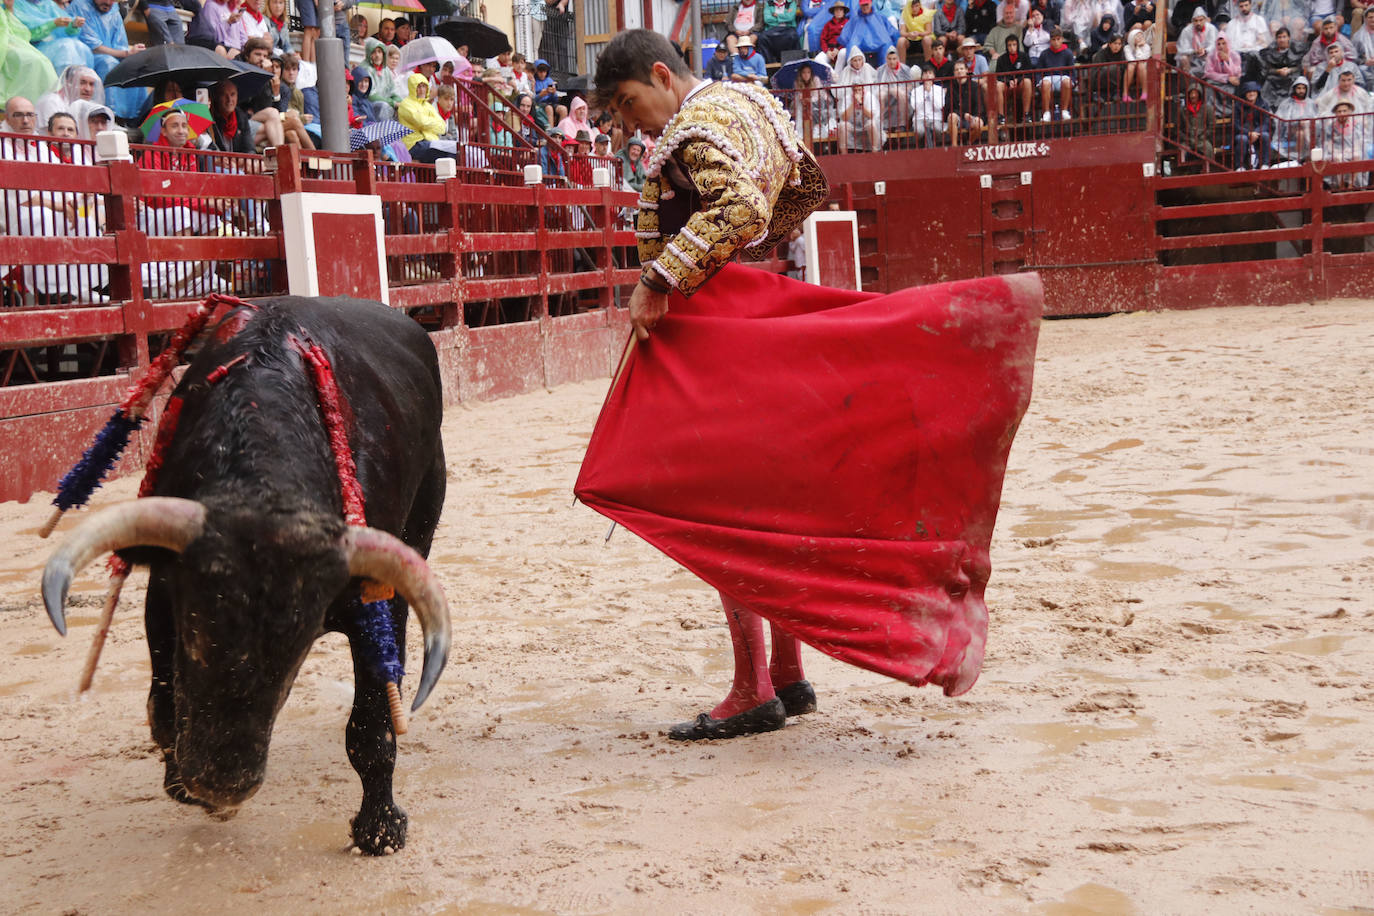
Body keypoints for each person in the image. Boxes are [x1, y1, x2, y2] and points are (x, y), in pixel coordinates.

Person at [590, 29, 829, 740]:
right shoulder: (751, 102)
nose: (633, 123)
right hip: (768, 314)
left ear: (663, 76)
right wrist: (746, 266)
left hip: (722, 328)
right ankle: (787, 672)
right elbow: (804, 185)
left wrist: (663, 280)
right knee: (774, 500)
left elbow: (742, 211)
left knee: (724, 502)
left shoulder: (694, 127)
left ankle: (754, 687)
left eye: (633, 103)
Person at [70, 0, 146, 120]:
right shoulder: (80, 6)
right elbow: (94, 46)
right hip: (87, 56)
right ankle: (111, 115)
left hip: (113, 54)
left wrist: (132, 53)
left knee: (136, 64)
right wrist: (126, 53)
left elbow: (120, 43)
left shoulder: (114, 9)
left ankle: (135, 118)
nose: (108, 3)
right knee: (109, 63)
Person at [13, 0, 93, 73]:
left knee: (81, 47)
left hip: (55, 45)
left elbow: (64, 27)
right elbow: (26, 33)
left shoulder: (48, 4)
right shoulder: (16, 4)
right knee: (66, 47)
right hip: (33, 48)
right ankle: (63, 86)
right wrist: (52, 24)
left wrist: (73, 25)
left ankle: (77, 84)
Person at [36, 64, 102, 133]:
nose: (88, 89)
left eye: (91, 84)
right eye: (82, 83)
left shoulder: (87, 106)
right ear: (68, 83)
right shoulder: (52, 102)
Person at [1323, 98, 1370, 186]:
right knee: (1337, 158)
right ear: (1336, 113)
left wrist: (1352, 149)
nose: (1342, 113)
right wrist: (1335, 150)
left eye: (1344, 111)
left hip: (1352, 149)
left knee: (1356, 156)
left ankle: (1351, 184)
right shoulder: (1331, 126)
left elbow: (1359, 141)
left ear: (1349, 111)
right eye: (1339, 111)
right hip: (1337, 151)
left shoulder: (1356, 125)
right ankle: (1340, 184)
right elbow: (1328, 143)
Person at [1275, 74, 1317, 159]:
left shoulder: (1311, 103)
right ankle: (1302, 157)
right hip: (1290, 131)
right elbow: (1282, 120)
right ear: (1294, 89)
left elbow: (1316, 118)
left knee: (1302, 132)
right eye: (1299, 88)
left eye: (1303, 88)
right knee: (1300, 132)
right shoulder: (1287, 103)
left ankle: (1304, 158)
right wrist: (1298, 122)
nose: (1301, 91)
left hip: (1308, 130)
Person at [945, 57, 987, 142]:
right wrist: (963, 114)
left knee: (979, 123)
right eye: (957, 70)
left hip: (972, 116)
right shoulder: (951, 87)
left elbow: (979, 105)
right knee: (952, 116)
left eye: (961, 69)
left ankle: (968, 145)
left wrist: (974, 117)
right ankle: (954, 147)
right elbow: (949, 108)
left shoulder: (974, 86)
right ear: (954, 73)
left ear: (966, 70)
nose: (959, 71)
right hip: (958, 118)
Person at [1037, 26, 1075, 118]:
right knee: (1045, 83)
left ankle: (1065, 111)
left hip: (1063, 77)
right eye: (1053, 39)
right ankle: (1046, 113)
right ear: (1050, 40)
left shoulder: (1068, 53)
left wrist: (1073, 81)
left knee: (1067, 82)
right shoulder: (1044, 54)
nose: (1056, 42)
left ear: (1062, 39)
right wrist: (1038, 83)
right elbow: (1039, 71)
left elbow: (1072, 71)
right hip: (1048, 78)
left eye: (1058, 39)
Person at [1231, 79, 1271, 167]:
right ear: (1245, 94)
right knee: (1242, 139)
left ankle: (1265, 164)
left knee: (1265, 136)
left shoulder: (1264, 105)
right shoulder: (1238, 106)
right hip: (1244, 133)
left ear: (1257, 93)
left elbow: (1266, 122)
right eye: (1249, 92)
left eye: (1253, 91)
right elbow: (1236, 124)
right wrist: (1248, 133)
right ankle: (1240, 166)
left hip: (1258, 132)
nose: (1251, 94)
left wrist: (1256, 132)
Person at [996, 33, 1034, 120]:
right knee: (998, 85)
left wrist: (1018, 79)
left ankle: (1026, 114)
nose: (1012, 47)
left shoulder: (1024, 56)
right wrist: (1008, 81)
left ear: (1018, 45)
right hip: (1007, 87)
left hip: (1020, 86)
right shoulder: (1001, 59)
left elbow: (1029, 73)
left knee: (1027, 81)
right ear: (1006, 46)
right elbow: (998, 76)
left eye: (1014, 44)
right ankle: (1001, 116)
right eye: (1009, 45)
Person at [876, 43, 911, 130]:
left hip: (902, 93)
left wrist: (899, 89)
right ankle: (882, 123)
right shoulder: (881, 70)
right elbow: (878, 84)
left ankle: (902, 124)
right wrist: (889, 89)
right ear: (886, 59)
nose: (892, 61)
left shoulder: (905, 69)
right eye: (889, 59)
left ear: (898, 59)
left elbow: (911, 85)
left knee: (899, 93)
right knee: (879, 94)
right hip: (886, 92)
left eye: (894, 59)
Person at [1177, 83, 1215, 164]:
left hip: (1202, 139)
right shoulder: (1182, 111)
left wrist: (1203, 136)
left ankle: (1208, 169)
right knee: (1181, 151)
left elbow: (1212, 127)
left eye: (1195, 93)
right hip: (1187, 140)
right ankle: (1184, 171)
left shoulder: (1208, 109)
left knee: (1208, 149)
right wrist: (1186, 139)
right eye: (1191, 93)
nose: (1193, 96)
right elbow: (1177, 129)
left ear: (1200, 95)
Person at [1176, 8, 1217, 78]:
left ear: (1205, 20)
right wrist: (1194, 51)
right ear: (1192, 21)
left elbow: (1214, 45)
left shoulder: (1211, 28)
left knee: (1213, 56)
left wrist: (1205, 50)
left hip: (1206, 55)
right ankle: (1189, 81)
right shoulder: (1187, 30)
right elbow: (1182, 48)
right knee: (1183, 58)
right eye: (1196, 21)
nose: (1198, 23)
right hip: (1192, 56)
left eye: (1201, 20)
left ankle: (1209, 81)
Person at [911, 64, 947, 144]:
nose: (927, 75)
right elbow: (915, 106)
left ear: (934, 76)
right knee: (919, 131)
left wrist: (930, 92)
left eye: (930, 73)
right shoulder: (915, 91)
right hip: (919, 118)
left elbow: (939, 106)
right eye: (925, 73)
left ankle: (934, 144)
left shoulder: (939, 89)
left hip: (935, 118)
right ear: (922, 76)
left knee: (937, 129)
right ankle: (921, 144)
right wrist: (924, 94)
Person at [1122, 22, 1150, 100]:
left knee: (1140, 64)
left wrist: (1138, 48)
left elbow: (1143, 59)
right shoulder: (1127, 47)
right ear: (1132, 38)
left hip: (1144, 69)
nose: (1140, 38)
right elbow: (1130, 60)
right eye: (1137, 36)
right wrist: (1137, 47)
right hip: (1132, 69)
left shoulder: (1146, 47)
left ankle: (1145, 92)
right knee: (1131, 66)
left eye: (1141, 36)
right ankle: (1125, 93)